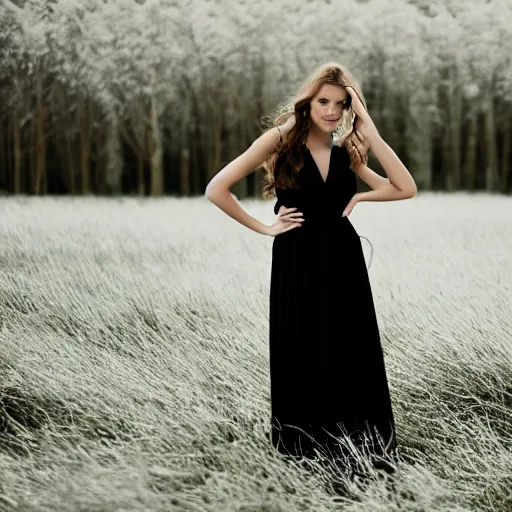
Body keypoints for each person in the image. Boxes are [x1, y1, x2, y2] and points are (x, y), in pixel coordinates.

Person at [205, 62, 417, 474]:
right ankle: (304, 452)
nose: (332, 111)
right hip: (297, 259)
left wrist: (368, 143)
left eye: (342, 104)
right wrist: (266, 228)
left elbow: (404, 187)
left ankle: (361, 450)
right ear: (309, 101)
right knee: (302, 345)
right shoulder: (280, 141)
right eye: (323, 101)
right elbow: (217, 189)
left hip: (343, 259)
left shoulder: (348, 153)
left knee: (350, 348)